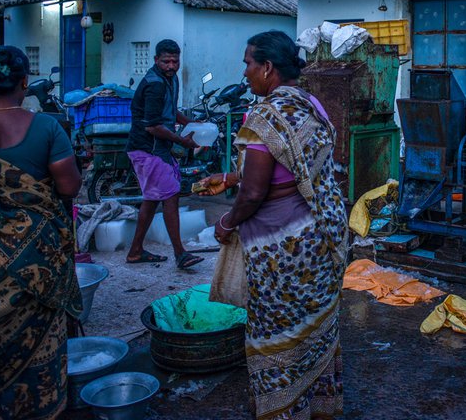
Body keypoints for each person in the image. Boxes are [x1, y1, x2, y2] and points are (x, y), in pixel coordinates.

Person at [195, 30, 347, 419]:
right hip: (319, 240)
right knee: (314, 326)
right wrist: (230, 178)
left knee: (277, 332)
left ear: (267, 67)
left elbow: (254, 194)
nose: (244, 72)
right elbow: (291, 170)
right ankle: (319, 405)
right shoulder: (313, 105)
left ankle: (284, 408)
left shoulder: (264, 116)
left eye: (248, 63)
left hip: (282, 255)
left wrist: (226, 224)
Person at [0, 46, 83, 419]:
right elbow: (69, 188)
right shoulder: (46, 127)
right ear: (25, 83)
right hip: (36, 262)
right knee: (41, 347)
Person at [125, 39, 203, 269]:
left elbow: (169, 111)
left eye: (175, 61)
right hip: (147, 149)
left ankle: (135, 251)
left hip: (157, 150)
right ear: (156, 60)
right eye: (166, 61)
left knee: (151, 199)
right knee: (171, 194)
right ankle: (180, 253)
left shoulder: (171, 79)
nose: (171, 65)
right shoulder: (155, 84)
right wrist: (183, 140)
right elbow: (152, 126)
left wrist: (191, 123)